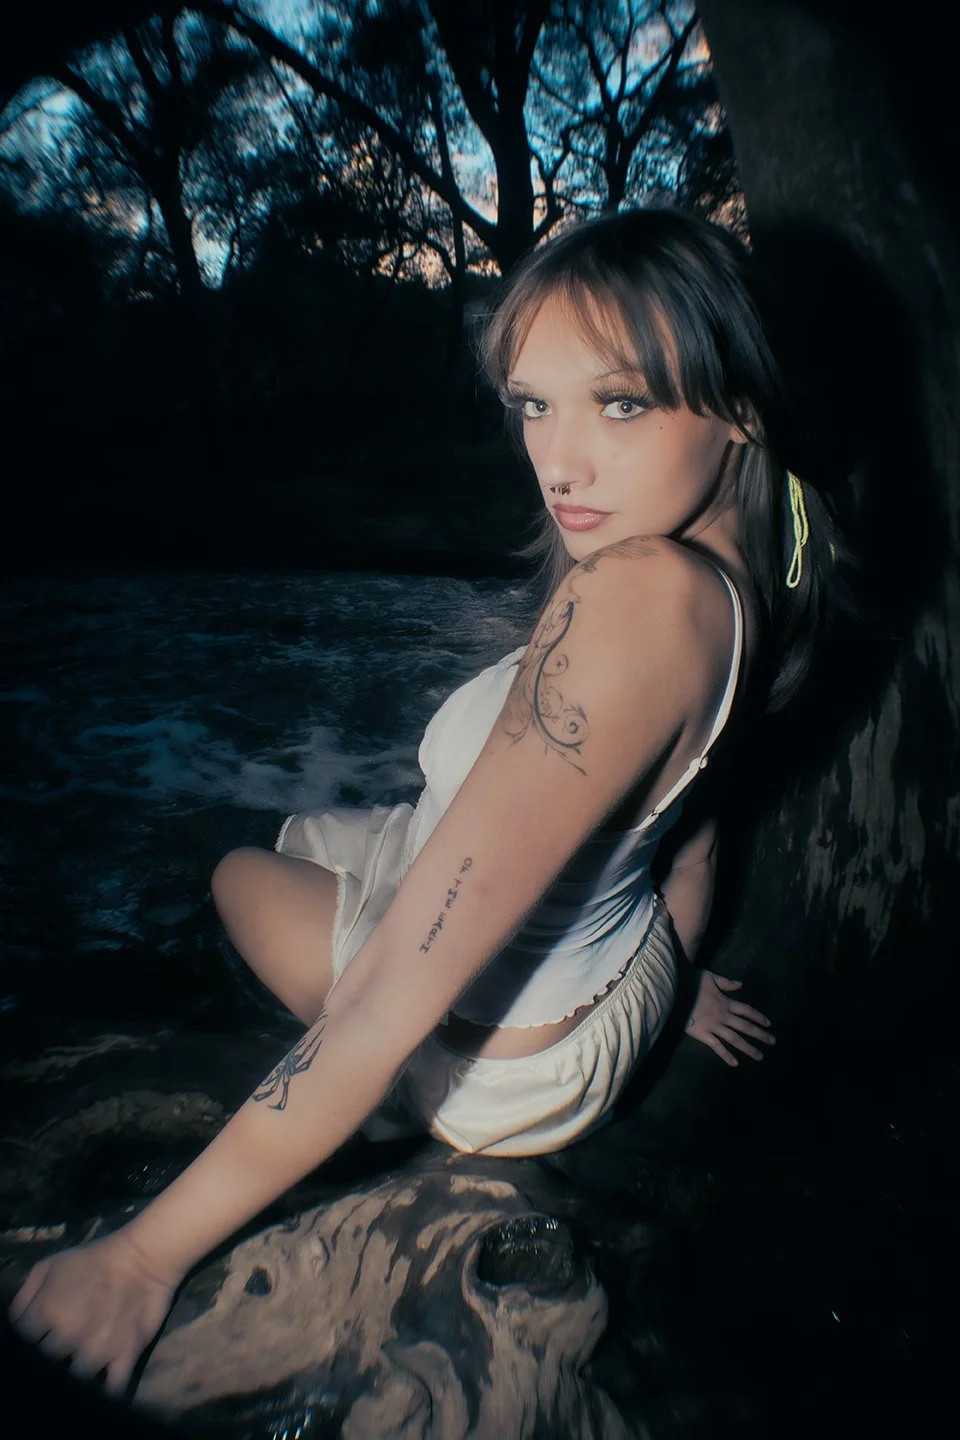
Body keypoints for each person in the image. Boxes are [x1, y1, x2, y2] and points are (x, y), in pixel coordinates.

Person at [8, 208, 843, 1398]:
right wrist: (669, 986)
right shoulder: (751, 572)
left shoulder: (637, 600)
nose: (560, 461)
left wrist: (143, 1259)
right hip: (625, 980)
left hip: (504, 1075)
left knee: (239, 873)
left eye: (619, 403)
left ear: (741, 402)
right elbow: (697, 842)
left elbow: (395, 990)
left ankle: (410, 1103)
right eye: (533, 404)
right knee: (341, 835)